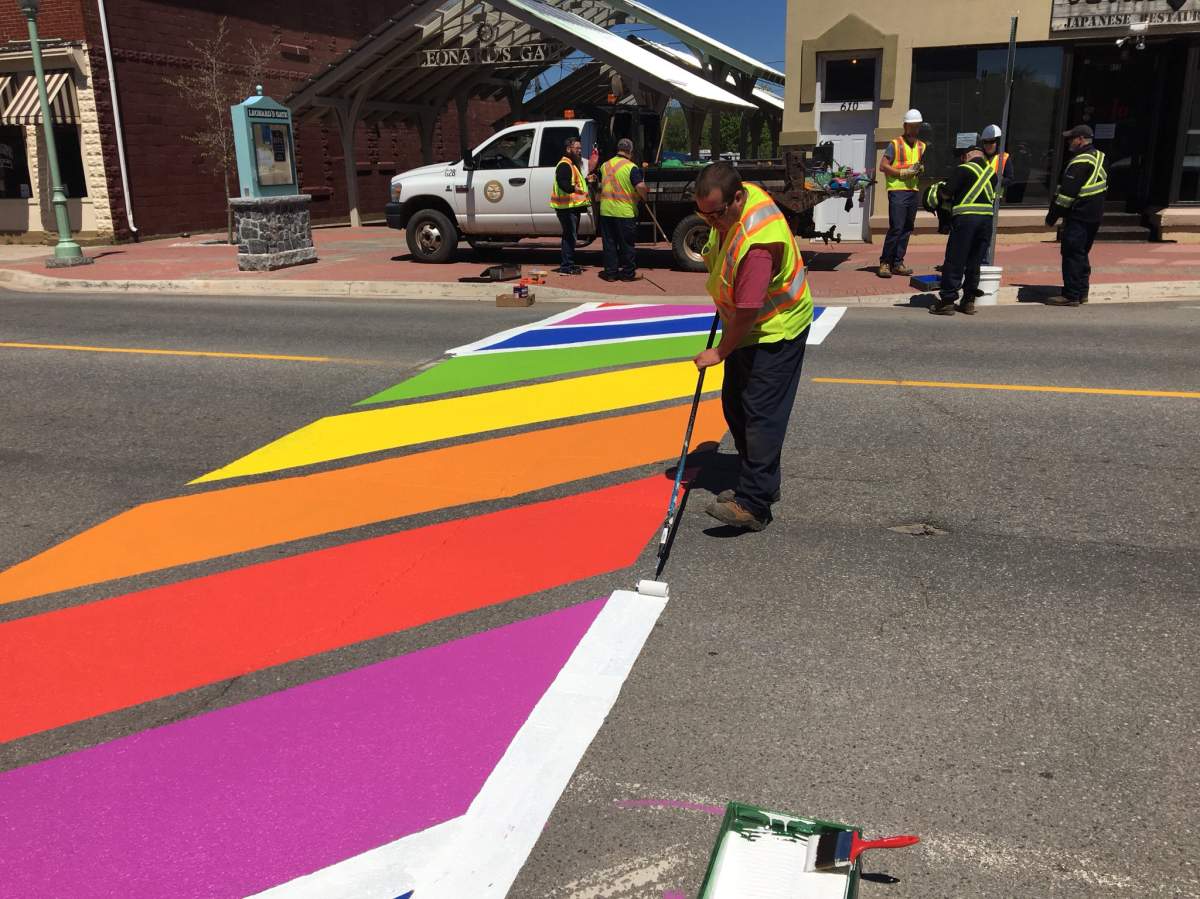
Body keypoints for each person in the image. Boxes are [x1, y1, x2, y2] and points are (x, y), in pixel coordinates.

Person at [692, 162, 814, 532]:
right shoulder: (736, 202)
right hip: (748, 328)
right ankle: (759, 481)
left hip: (776, 328)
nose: (710, 221)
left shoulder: (759, 243)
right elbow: (721, 253)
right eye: (703, 214)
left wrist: (719, 352)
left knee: (762, 415)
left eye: (716, 213)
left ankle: (755, 504)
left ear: (737, 198)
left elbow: (748, 310)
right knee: (736, 406)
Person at [1045, 124, 1108, 307]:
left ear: (1080, 139)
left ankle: (1071, 295)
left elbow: (1066, 195)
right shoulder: (1101, 157)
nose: (1068, 142)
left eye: (1071, 138)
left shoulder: (1080, 161)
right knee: (1082, 253)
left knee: (1072, 253)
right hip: (1094, 215)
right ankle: (1082, 291)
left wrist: (1053, 217)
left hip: (1079, 214)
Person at [931, 146, 996, 316]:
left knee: (955, 260)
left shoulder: (963, 170)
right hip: (986, 222)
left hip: (966, 221)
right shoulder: (993, 174)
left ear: (967, 156)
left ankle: (947, 302)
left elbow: (945, 194)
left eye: (962, 157)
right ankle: (968, 301)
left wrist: (939, 190)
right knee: (975, 262)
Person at [877, 108, 926, 279]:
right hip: (897, 190)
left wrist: (919, 170)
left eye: (917, 126)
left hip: (913, 190)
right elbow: (883, 166)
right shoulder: (895, 144)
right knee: (897, 228)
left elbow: (917, 163)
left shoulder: (921, 146)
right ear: (905, 126)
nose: (914, 130)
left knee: (906, 228)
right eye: (911, 126)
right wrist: (902, 173)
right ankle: (885, 262)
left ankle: (897, 263)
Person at [597, 138, 648, 282]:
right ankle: (627, 274)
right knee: (627, 245)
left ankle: (611, 274)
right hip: (624, 212)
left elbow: (601, 185)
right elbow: (641, 187)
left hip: (606, 211)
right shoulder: (631, 167)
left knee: (609, 244)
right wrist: (644, 197)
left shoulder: (604, 166)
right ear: (630, 151)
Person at [550, 137, 589, 275]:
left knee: (570, 236)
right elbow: (563, 183)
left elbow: (574, 182)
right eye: (576, 148)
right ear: (568, 149)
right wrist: (574, 189)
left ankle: (569, 264)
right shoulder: (565, 164)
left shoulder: (572, 164)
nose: (579, 151)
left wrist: (587, 180)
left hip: (571, 207)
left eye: (580, 149)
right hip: (566, 208)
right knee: (569, 237)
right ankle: (566, 266)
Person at [980, 124, 1014, 192]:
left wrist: (994, 182)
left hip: (997, 200)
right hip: (981, 199)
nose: (988, 145)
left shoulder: (1004, 157)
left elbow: (1010, 179)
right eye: (985, 142)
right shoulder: (979, 157)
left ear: (998, 142)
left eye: (991, 141)